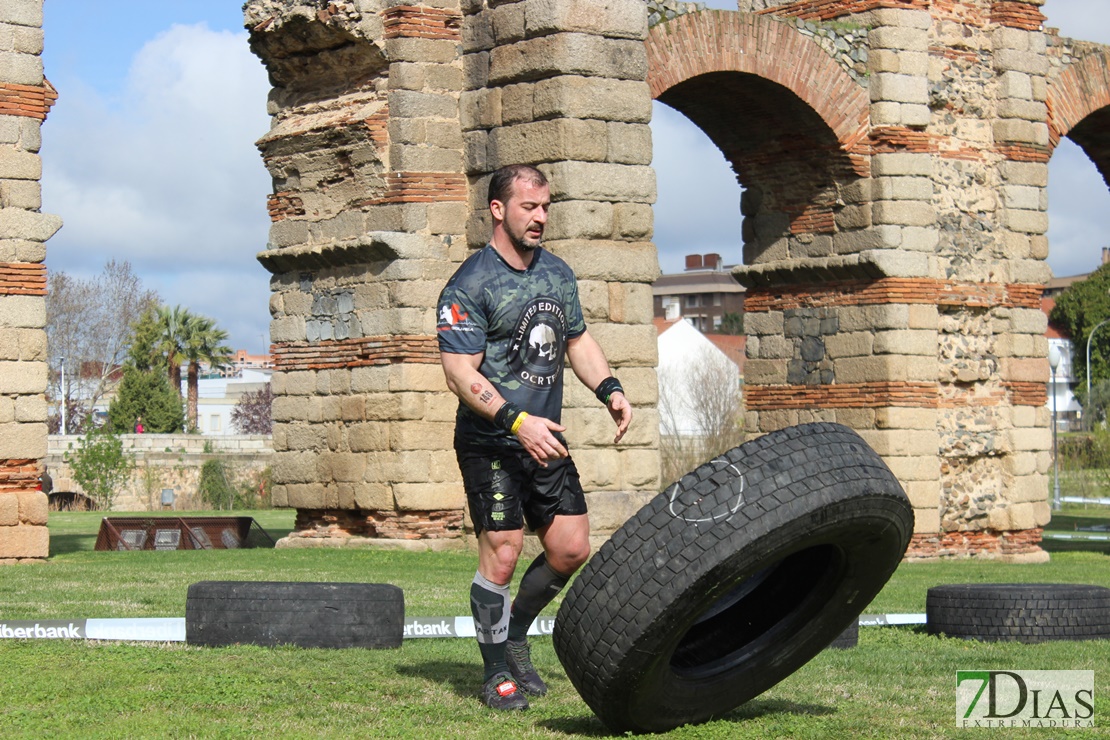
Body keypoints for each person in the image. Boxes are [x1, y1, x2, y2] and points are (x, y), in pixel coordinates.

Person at [437, 164, 632, 711]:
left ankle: (515, 632)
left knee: (571, 550)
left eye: (546, 206)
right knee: (502, 553)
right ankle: (495, 670)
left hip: (546, 441)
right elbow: (460, 374)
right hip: (492, 442)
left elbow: (578, 341)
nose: (541, 217)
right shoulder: (467, 285)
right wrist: (516, 423)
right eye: (529, 207)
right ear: (498, 210)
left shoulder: (558, 274)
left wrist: (610, 388)